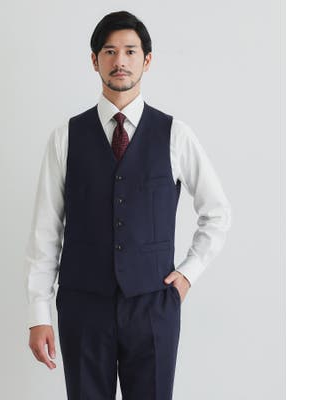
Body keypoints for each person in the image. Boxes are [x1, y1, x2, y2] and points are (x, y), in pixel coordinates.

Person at [25, 10, 231, 400]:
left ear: (146, 60)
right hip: (83, 306)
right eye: (109, 51)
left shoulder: (175, 135)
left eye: (130, 51)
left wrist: (187, 275)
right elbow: (45, 230)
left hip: (153, 306)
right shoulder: (65, 137)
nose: (120, 61)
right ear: (94, 60)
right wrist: (38, 313)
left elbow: (217, 212)